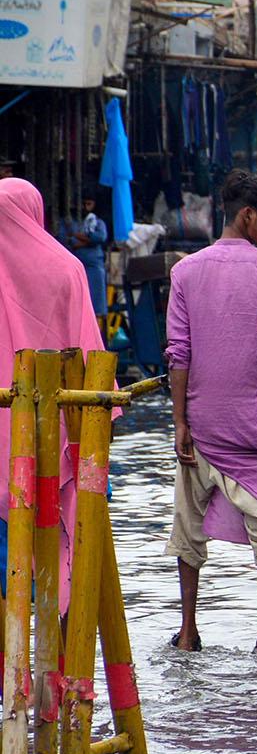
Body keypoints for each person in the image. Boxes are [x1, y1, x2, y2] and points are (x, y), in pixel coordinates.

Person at [164, 170, 257, 653]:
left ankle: (187, 629)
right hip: (255, 431)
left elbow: (178, 353)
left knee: (188, 530)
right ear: (248, 215)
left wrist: (180, 422)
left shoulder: (185, 271)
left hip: (199, 427)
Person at [0, 178, 109, 596]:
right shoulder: (67, 267)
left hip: (8, 438)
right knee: (75, 548)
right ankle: (68, 651)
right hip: (65, 431)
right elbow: (89, 357)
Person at [58, 191, 109, 320]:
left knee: (96, 304)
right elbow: (64, 240)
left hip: (94, 265)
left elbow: (100, 237)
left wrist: (76, 236)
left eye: (89, 204)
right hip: (74, 265)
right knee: (75, 305)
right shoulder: (69, 222)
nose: (85, 207)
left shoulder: (97, 221)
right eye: (83, 204)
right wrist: (87, 240)